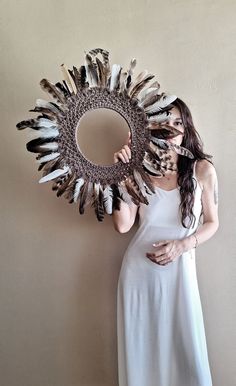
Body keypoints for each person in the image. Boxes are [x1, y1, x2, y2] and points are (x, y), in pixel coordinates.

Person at [112, 97, 219, 386]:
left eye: (178, 122)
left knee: (190, 361)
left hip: (180, 275)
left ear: (187, 129)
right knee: (142, 357)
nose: (171, 128)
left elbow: (213, 223)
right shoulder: (140, 170)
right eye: (164, 122)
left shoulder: (202, 170)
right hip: (139, 275)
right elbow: (123, 225)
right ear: (154, 129)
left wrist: (182, 245)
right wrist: (122, 173)